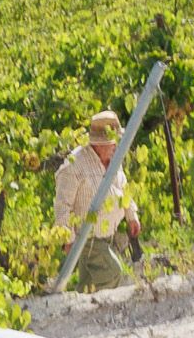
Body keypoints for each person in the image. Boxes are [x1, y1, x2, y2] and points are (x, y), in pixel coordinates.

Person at [52, 107, 144, 288]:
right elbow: (62, 205)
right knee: (112, 273)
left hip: (106, 236)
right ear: (99, 143)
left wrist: (131, 216)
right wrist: (67, 240)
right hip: (86, 238)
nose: (116, 145)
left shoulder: (113, 158)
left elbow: (123, 187)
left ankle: (82, 315)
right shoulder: (74, 165)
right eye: (112, 142)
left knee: (89, 287)